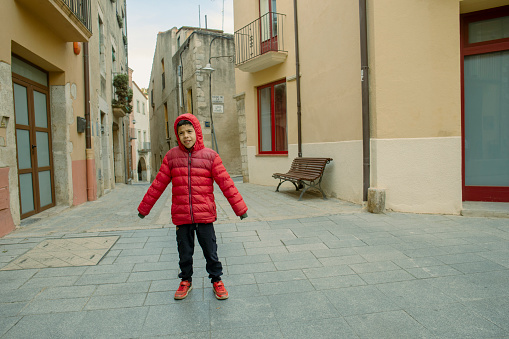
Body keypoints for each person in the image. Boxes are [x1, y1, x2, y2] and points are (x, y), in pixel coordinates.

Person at [137, 113, 248, 300]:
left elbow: (226, 183)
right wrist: (143, 209)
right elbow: (158, 184)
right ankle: (185, 280)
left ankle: (216, 280)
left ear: (197, 132)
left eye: (189, 131)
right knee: (184, 252)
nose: (186, 136)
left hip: (204, 216)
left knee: (210, 251)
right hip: (182, 216)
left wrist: (240, 209)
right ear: (177, 135)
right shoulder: (171, 157)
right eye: (181, 133)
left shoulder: (210, 156)